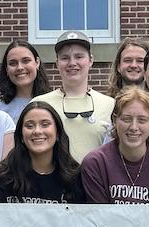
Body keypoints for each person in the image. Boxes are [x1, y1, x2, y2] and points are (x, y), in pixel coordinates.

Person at [81, 88, 149, 204]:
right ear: (115, 120)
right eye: (126, 119)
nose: (134, 127)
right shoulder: (96, 163)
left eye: (142, 120)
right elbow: (98, 218)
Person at [32, 31, 115, 161]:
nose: (72, 63)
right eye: (65, 58)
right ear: (57, 63)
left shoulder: (110, 105)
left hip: (96, 180)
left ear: (91, 60)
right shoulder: (40, 104)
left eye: (79, 57)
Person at [0, 102, 84, 203]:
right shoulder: (1, 175)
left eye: (45, 124)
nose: (37, 131)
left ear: (58, 133)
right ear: (21, 136)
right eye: (29, 126)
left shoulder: (75, 176)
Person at [0, 41, 50, 121]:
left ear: (37, 62)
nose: (20, 67)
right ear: (7, 69)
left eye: (26, 61)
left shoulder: (52, 103)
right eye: (13, 63)